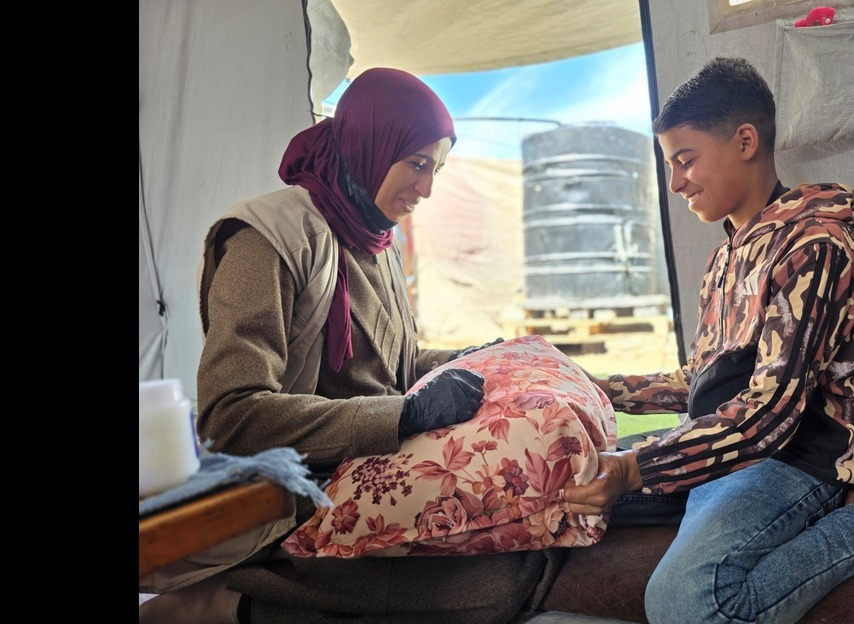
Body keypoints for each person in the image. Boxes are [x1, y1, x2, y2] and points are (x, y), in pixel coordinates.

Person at [563, 57, 854, 623]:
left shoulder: (814, 249)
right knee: (558, 481)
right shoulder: (727, 256)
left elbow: (770, 414)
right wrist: (591, 388)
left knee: (685, 604)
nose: (676, 181)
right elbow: (701, 380)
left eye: (685, 160)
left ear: (746, 141)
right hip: (730, 444)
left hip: (801, 451)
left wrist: (638, 468)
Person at [139, 67, 548, 624]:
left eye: (437, 169)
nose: (427, 188)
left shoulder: (375, 239)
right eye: (418, 164)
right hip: (287, 492)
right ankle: (226, 603)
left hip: (360, 467)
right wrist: (403, 414)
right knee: (488, 588)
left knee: (520, 537)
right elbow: (230, 416)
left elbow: (393, 366)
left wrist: (466, 362)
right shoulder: (268, 239)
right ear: (371, 145)